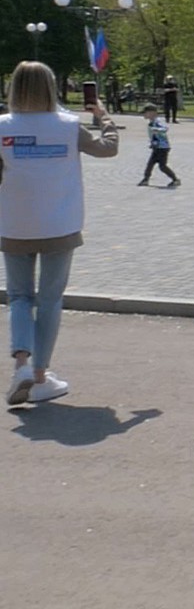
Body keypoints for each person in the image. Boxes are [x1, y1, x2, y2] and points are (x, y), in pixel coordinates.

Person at [2, 61, 120, 407]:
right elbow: (108, 148)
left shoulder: (2, 127)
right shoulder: (68, 126)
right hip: (59, 223)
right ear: (52, 87)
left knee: (20, 296)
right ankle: (41, 376)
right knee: (50, 299)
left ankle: (22, 365)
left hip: (13, 224)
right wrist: (103, 115)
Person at [136, 102, 180, 187]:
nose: (144, 115)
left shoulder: (158, 121)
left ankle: (175, 179)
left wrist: (156, 129)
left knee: (162, 166)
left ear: (152, 113)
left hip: (163, 148)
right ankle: (146, 179)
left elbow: (165, 128)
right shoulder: (151, 122)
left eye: (145, 113)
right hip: (157, 147)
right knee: (150, 164)